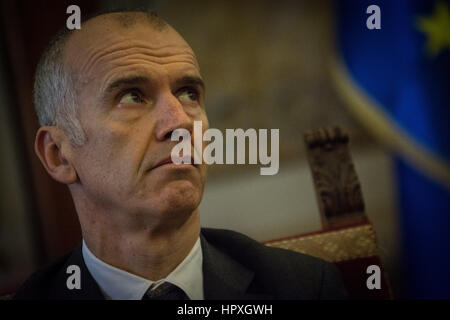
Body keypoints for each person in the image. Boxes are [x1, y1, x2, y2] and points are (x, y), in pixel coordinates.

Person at [14, 10, 347, 300]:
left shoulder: (304, 287)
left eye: (188, 93)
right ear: (59, 155)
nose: (180, 122)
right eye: (132, 96)